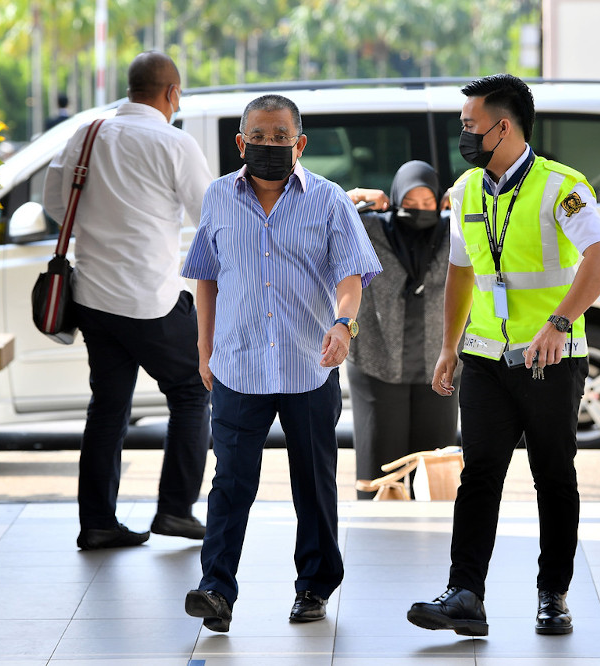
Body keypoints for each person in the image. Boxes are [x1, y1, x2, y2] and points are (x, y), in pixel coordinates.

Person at [406, 74, 600, 637]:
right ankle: (465, 594)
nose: (464, 135)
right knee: (479, 474)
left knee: (553, 476)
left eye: (470, 126)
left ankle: (554, 595)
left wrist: (559, 322)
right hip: (482, 357)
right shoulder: (468, 188)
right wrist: (449, 347)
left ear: (505, 127)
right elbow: (460, 270)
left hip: (549, 359)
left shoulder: (561, 186)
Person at [180, 94, 381, 632]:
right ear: (240, 143)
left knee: (313, 483)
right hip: (238, 367)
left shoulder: (329, 199)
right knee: (231, 483)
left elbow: (352, 275)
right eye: (259, 138)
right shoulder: (220, 196)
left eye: (280, 137)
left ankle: (314, 587)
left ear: (300, 144)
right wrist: (205, 350)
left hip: (307, 365)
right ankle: (215, 590)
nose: (270, 147)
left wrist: (343, 324)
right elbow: (206, 275)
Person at [44, 51, 213, 550]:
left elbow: (57, 204)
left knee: (109, 406)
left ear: (131, 88)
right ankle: (176, 510)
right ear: (171, 94)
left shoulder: (87, 134)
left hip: (93, 297)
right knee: (190, 391)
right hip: (151, 298)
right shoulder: (175, 142)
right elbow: (209, 213)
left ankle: (98, 522)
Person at [346, 161, 460, 499]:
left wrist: (468, 199)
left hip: (439, 362)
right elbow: (318, 211)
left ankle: (435, 531)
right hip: (376, 360)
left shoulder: (457, 230)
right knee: (381, 465)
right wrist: (356, 195)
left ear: (440, 201)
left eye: (427, 204)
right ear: (395, 200)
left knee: (434, 465)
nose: (419, 211)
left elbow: (503, 223)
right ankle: (379, 529)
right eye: (409, 203)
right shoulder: (368, 229)